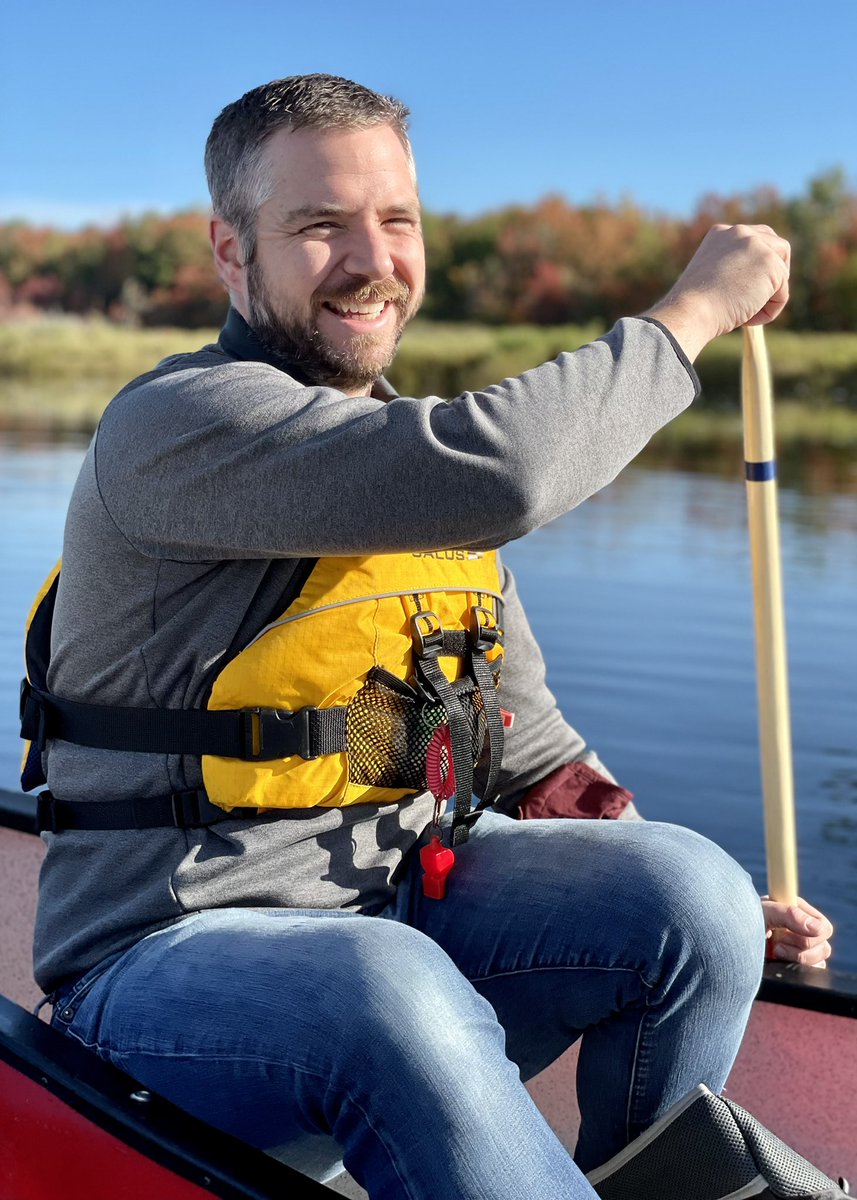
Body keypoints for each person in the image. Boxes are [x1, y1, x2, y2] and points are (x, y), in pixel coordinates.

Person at [25, 74, 835, 1199]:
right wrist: (686, 315)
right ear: (229, 251)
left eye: (394, 221)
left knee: (688, 895)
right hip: (160, 967)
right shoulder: (179, 426)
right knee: (386, 982)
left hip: (397, 901)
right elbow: (508, 467)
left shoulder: (406, 483)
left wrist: (702, 896)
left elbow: (534, 750)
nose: (373, 259)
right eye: (319, 226)